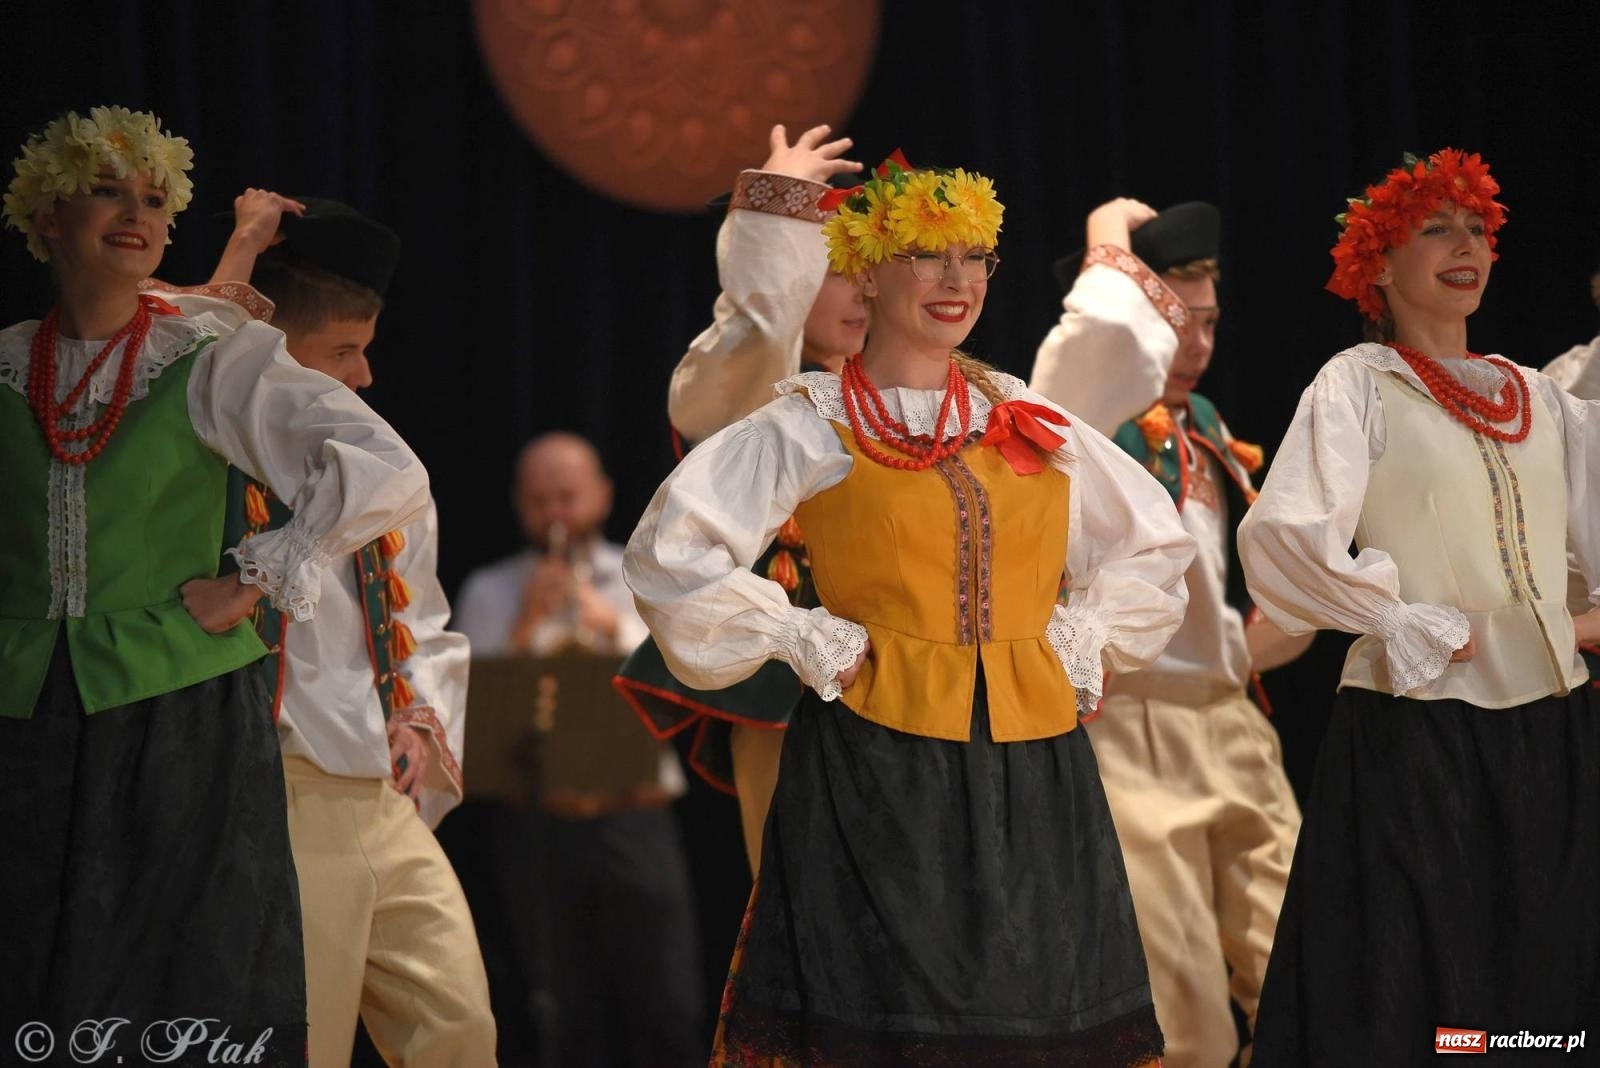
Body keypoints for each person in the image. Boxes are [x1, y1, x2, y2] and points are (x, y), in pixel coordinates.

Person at [626, 155, 1195, 1064]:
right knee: (892, 1020)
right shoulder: (812, 419)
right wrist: (804, 634)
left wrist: (1081, 631)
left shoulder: (1023, 415)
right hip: (877, 761)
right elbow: (672, 553)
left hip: (1034, 764)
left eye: (975, 259)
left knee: (1037, 1007)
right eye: (929, 256)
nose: (957, 281)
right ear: (866, 269)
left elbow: (1156, 545)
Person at [0, 106, 430, 1059]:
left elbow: (383, 464)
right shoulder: (6, 365)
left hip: (176, 711)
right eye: (106, 190)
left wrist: (260, 572)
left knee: (177, 972)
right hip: (24, 719)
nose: (135, 212)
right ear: (44, 219)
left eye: (153, 198)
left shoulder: (207, 360)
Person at [1237, 148, 1600, 1062]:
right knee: (1429, 985)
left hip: (1553, 726)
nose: (1465, 244)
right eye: (1433, 229)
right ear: (1378, 267)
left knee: (1544, 983)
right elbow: (1283, 538)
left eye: (1476, 227)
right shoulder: (1360, 382)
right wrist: (1397, 617)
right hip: (1418, 730)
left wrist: (1568, 627)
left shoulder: (1546, 400)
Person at [210, 195, 497, 1067]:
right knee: (308, 1035)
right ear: (276, 359)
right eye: (344, 352)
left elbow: (423, 618)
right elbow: (173, 336)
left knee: (458, 1027)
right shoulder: (210, 465)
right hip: (281, 785)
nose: (364, 376)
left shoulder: (387, 477)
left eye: (366, 349)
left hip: (378, 788)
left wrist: (417, 717)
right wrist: (245, 243)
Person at [1030, 198, 1304, 1066]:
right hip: (1129, 726)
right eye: (1173, 320)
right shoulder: (1071, 422)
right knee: (1180, 1007)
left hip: (1230, 722)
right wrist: (1105, 235)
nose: (1194, 346)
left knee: (1305, 968)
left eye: (1209, 323)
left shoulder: (1209, 429)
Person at [614, 123, 865, 874]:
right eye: (832, 268)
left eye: (867, 266)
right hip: (795, 703)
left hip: (918, 685)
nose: (861, 290)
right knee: (811, 914)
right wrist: (777, 211)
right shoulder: (742, 391)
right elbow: (759, 323)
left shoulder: (905, 394)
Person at [455, 432, 704, 1068]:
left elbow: (682, 692)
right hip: (535, 824)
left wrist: (608, 627)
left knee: (670, 1005)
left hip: (636, 817)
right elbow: (466, 716)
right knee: (557, 1017)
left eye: (568, 496)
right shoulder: (488, 590)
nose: (555, 514)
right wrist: (525, 627)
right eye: (539, 500)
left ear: (603, 495)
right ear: (519, 505)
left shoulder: (644, 581)